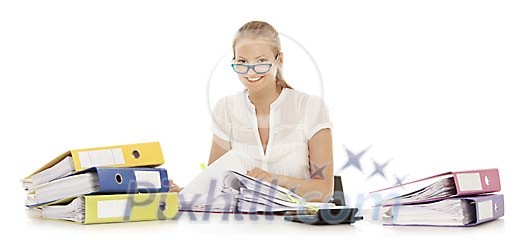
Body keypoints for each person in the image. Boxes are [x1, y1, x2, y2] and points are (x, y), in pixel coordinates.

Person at [172, 21, 334, 202]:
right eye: (242, 62)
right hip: (244, 224)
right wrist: (185, 192)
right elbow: (216, 184)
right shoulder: (225, 109)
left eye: (261, 61)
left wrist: (274, 180)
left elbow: (325, 191)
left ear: (279, 60)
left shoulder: (311, 108)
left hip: (298, 224)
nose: (250, 72)